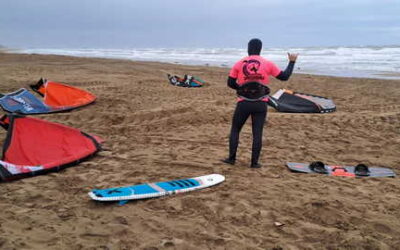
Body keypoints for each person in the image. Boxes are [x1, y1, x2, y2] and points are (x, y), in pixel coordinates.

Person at [223, 38, 298, 168]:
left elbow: (230, 83)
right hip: (261, 103)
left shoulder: (239, 63)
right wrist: (292, 62)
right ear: (260, 49)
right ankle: (254, 163)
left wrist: (243, 89)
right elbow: (284, 76)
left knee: (235, 129)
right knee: (257, 133)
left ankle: (231, 159)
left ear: (248, 48)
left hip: (243, 103)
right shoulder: (267, 63)